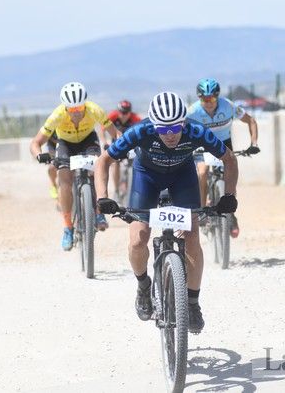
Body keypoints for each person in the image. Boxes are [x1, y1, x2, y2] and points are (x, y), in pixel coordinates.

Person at [94, 92, 239, 333]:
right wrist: (102, 197)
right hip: (146, 178)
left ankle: (192, 303)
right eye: (163, 130)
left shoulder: (196, 130)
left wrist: (229, 196)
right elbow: (104, 161)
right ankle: (143, 286)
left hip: (183, 177)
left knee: (191, 237)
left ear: (184, 122)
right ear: (153, 125)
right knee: (139, 238)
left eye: (175, 128)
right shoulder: (141, 131)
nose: (170, 135)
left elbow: (229, 158)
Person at [29, 82, 121, 251]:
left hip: (88, 141)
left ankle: (99, 212)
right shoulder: (57, 115)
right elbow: (35, 142)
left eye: (80, 108)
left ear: (85, 104)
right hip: (66, 144)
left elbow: (115, 133)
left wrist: (121, 147)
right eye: (72, 110)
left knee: (98, 169)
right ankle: (68, 227)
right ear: (65, 108)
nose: (77, 112)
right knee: (64, 180)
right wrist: (38, 154)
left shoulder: (94, 110)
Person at [186, 78, 259, 237]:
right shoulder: (192, 111)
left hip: (224, 144)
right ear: (199, 99)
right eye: (204, 99)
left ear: (217, 97)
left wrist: (253, 143)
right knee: (203, 171)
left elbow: (251, 121)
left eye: (212, 98)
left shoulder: (229, 106)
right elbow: (179, 128)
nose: (208, 102)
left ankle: (231, 213)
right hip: (202, 144)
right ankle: (202, 208)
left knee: (230, 174)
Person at [101, 100, 142, 200]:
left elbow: (142, 131)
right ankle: (116, 189)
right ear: (118, 111)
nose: (124, 115)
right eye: (122, 112)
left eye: (126, 113)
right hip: (116, 143)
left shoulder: (135, 118)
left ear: (130, 112)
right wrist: (105, 142)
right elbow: (102, 129)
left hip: (131, 144)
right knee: (115, 163)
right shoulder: (113, 116)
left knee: (135, 163)